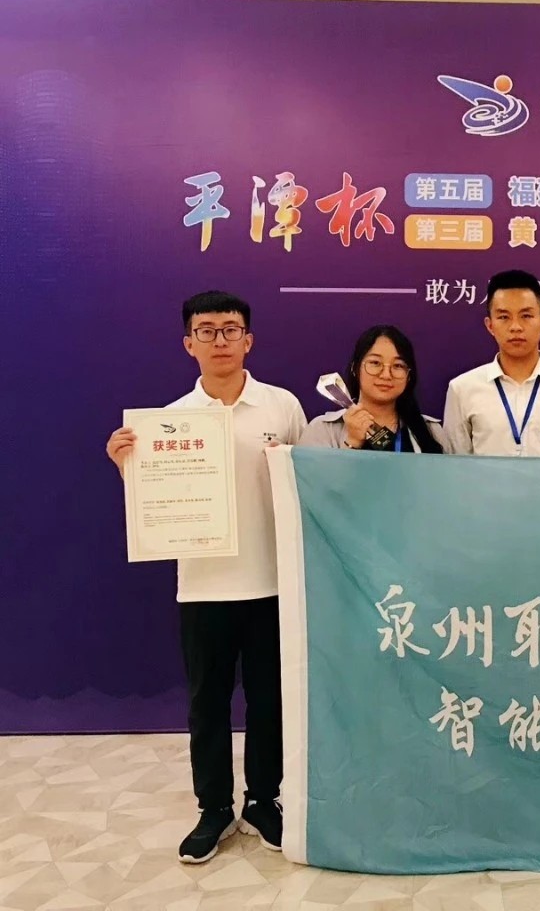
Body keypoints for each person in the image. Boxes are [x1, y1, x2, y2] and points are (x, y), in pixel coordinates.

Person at [104, 291, 306, 864]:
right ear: (188, 343)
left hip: (273, 582)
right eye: (207, 330)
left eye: (231, 329)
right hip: (202, 588)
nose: (221, 340)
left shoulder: (282, 407)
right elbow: (155, 507)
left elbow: (310, 480)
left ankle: (264, 801)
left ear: (249, 340)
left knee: (270, 702)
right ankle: (214, 807)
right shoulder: (168, 422)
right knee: (207, 705)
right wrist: (128, 466)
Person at [443, 270, 540, 457]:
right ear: (490, 325)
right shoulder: (462, 388)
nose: (516, 327)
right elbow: (454, 462)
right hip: (486, 479)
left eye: (526, 316)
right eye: (504, 317)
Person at [300, 325, 444, 453]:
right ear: (355, 368)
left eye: (398, 365)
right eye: (375, 363)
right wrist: (352, 442)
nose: (386, 375)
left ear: (409, 375)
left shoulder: (432, 431)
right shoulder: (322, 430)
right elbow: (314, 476)